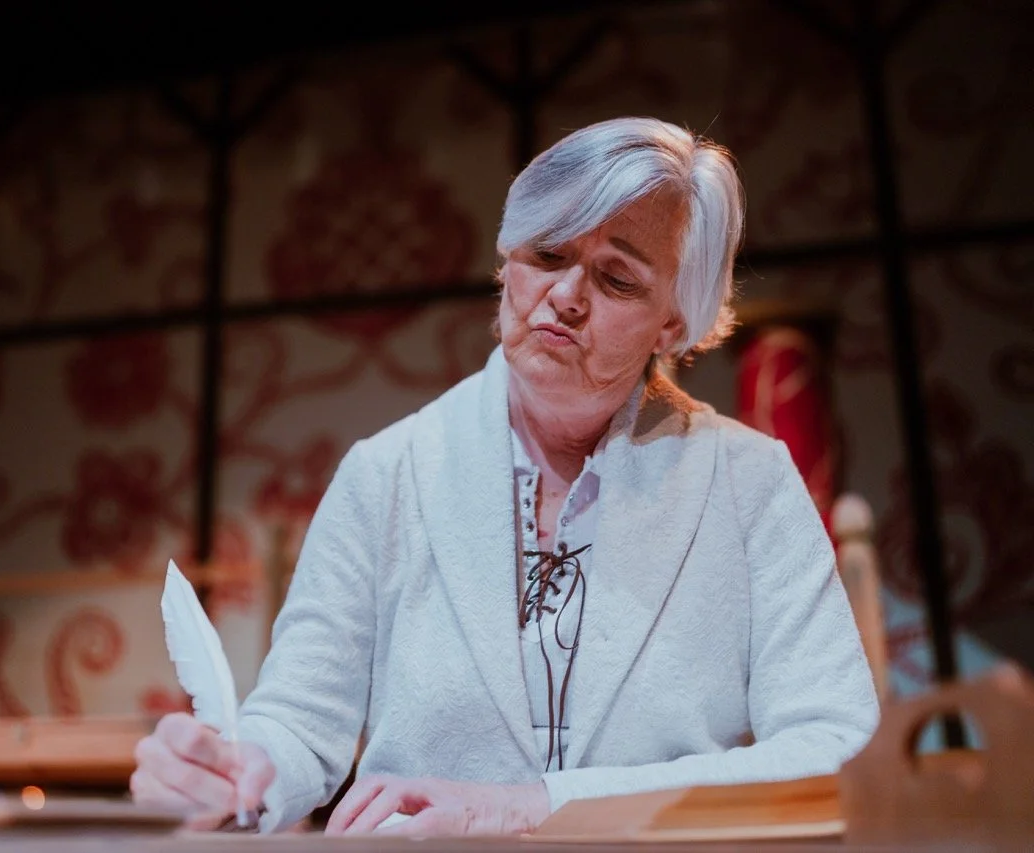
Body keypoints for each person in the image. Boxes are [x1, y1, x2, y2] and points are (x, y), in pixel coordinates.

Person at [130, 116, 879, 836]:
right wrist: (236, 773)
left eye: (617, 279)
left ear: (674, 322)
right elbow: (297, 720)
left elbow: (836, 746)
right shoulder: (386, 474)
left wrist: (535, 803)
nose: (566, 296)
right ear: (506, 262)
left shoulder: (750, 485)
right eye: (546, 256)